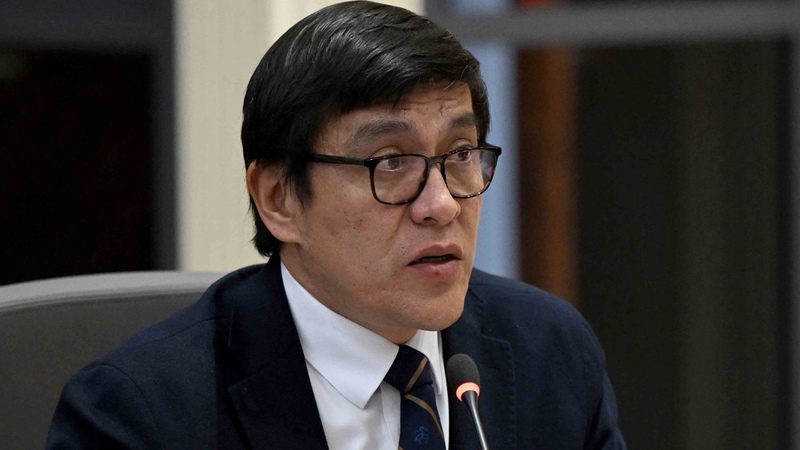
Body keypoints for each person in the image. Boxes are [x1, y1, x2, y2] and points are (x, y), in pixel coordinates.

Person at [46, 1, 626, 448]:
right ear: (279, 199)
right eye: (390, 163)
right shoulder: (138, 414)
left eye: (459, 154)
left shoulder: (551, 352)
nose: (442, 204)